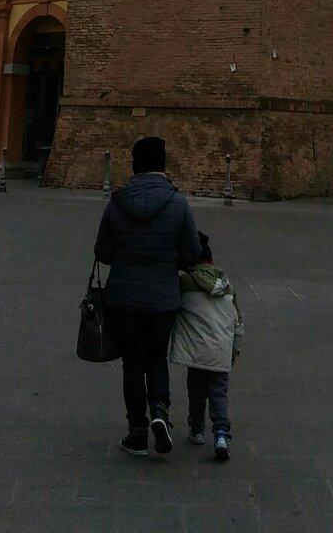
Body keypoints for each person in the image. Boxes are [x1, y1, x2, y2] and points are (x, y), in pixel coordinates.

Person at [94, 135, 202, 457]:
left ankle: (137, 432)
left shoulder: (117, 202)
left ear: (134, 165)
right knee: (157, 357)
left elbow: (103, 252)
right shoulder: (178, 204)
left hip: (123, 297)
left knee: (132, 363)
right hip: (162, 298)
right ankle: (159, 410)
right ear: (163, 164)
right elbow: (192, 253)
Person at [169, 229, 243, 463]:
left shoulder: (185, 283)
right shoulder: (228, 287)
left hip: (196, 351)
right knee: (219, 393)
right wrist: (235, 350)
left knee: (196, 392)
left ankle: (197, 429)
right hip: (221, 352)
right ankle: (221, 434)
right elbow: (238, 323)